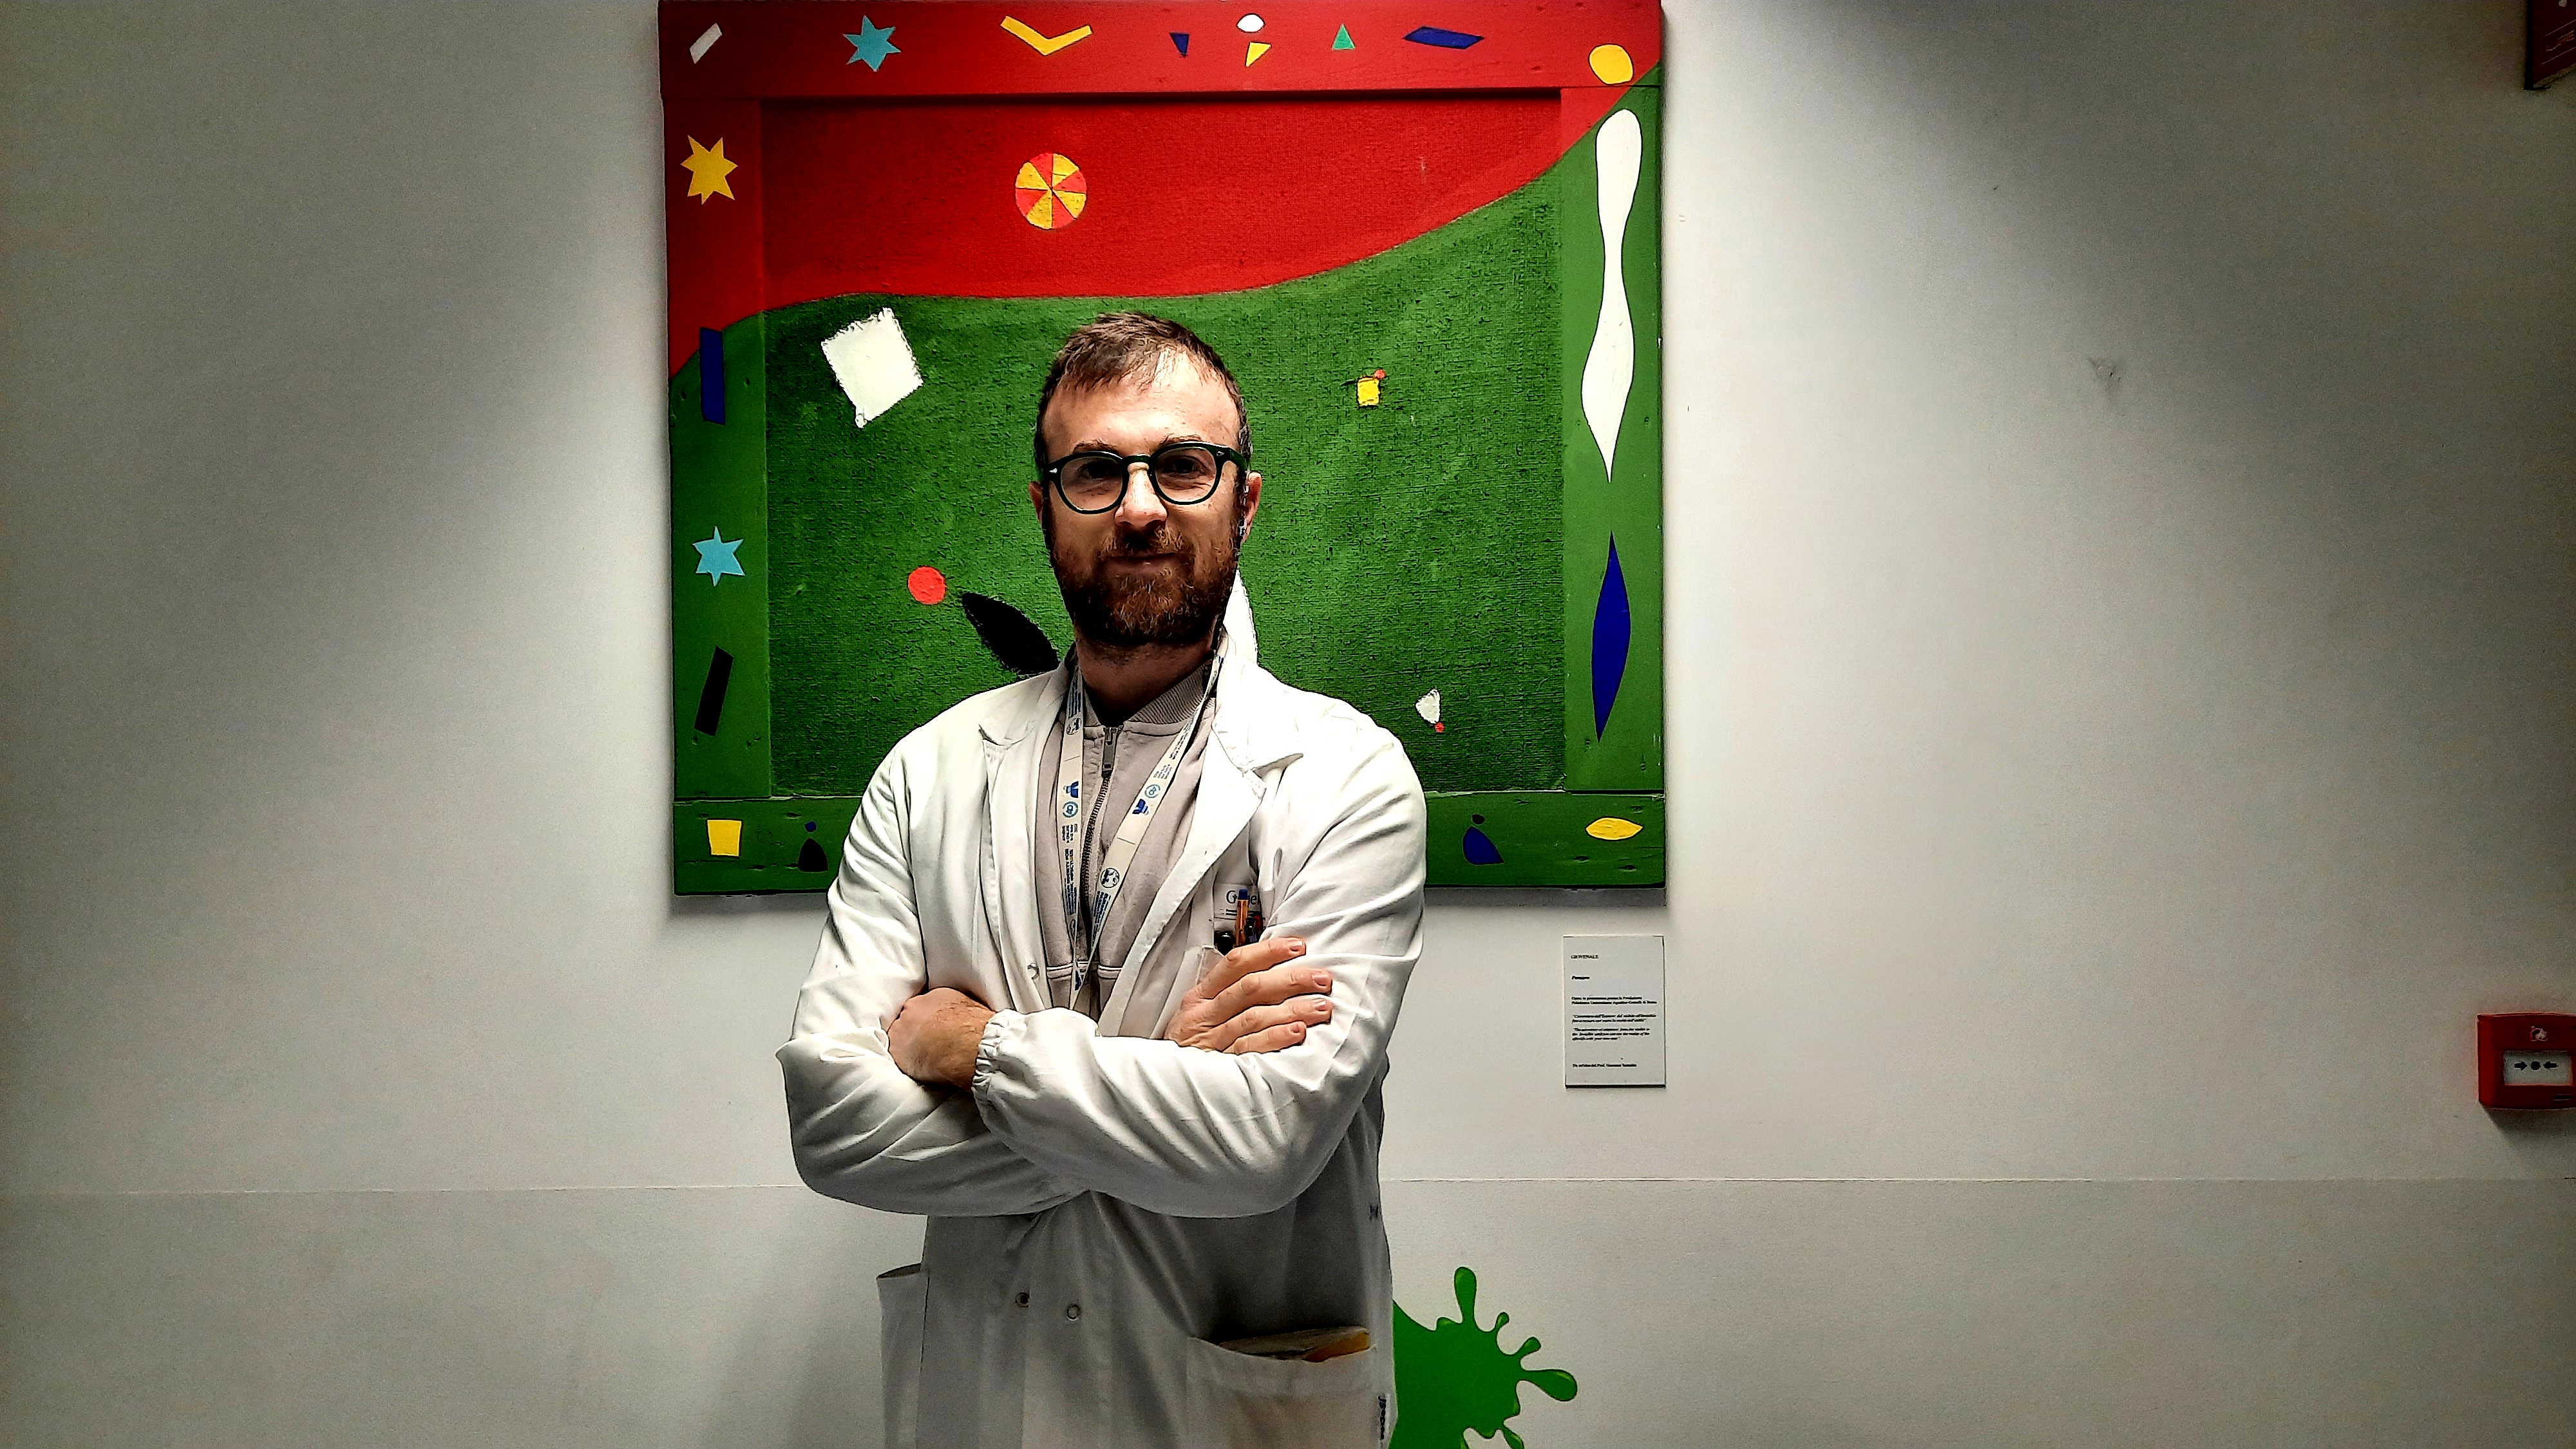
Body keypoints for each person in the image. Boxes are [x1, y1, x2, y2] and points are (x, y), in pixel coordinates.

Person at [779, 312, 1427, 1448]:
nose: (1138, 506)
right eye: (1094, 471)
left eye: (1181, 465)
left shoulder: (1346, 777)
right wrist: (1166, 1081)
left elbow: (1268, 1144)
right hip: (998, 1396)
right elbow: (833, 1126)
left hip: (1231, 1411)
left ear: (1245, 500)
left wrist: (979, 1052)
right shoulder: (929, 774)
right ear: (1044, 507)